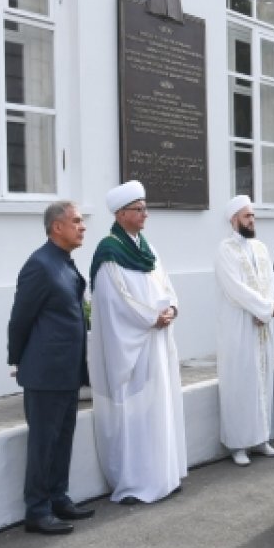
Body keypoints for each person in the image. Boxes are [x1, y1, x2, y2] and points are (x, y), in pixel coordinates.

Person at [87, 181, 187, 504]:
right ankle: (135, 481)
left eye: (146, 208)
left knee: (159, 407)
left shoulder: (148, 248)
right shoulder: (109, 251)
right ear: (121, 214)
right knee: (135, 411)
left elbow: (166, 284)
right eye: (139, 209)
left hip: (156, 342)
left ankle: (163, 475)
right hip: (133, 346)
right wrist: (151, 318)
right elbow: (115, 301)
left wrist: (171, 307)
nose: (145, 214)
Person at [6, 201, 95, 534]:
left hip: (67, 371)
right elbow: (20, 319)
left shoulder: (64, 263)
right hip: (44, 373)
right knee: (44, 442)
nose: (82, 226)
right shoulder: (40, 265)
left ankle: (58, 497)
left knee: (63, 439)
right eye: (76, 221)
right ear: (57, 227)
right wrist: (17, 359)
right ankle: (37, 510)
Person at [213, 195, 274, 467]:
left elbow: (273, 282)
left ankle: (261, 439)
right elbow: (235, 289)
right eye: (246, 216)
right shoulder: (225, 250)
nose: (251, 220)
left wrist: (271, 308)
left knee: (263, 380)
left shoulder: (261, 248)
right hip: (239, 326)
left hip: (262, 326)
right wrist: (262, 309)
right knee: (241, 383)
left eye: (252, 216)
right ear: (234, 220)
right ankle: (238, 443)